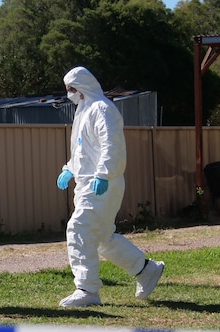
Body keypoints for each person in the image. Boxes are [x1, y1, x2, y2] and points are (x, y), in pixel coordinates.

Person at [56, 66, 164, 307]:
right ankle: (146, 270)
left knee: (79, 229)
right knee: (103, 237)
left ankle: (87, 289)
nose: (70, 94)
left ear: (82, 87)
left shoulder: (103, 109)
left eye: (72, 89)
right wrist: (69, 168)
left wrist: (104, 174)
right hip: (87, 183)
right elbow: (83, 149)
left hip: (102, 183)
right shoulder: (84, 112)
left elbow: (110, 145)